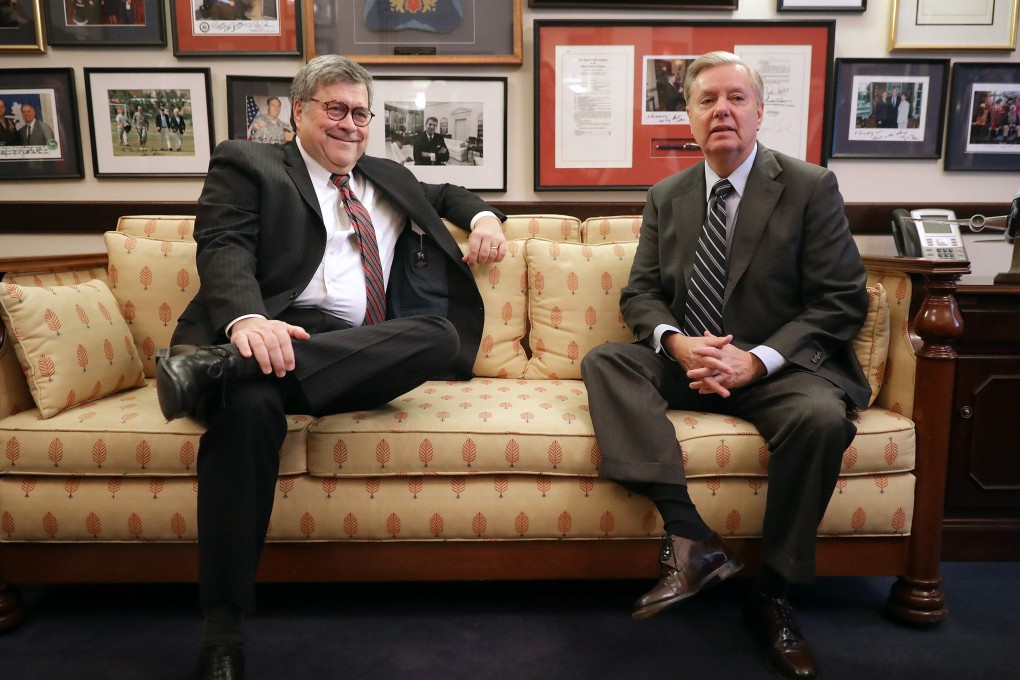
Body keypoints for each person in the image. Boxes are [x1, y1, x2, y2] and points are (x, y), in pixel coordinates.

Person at [154, 54, 507, 680]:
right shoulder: (251, 163)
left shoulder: (387, 177)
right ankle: (223, 635)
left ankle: (213, 373)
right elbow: (224, 248)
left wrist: (483, 218)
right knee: (251, 408)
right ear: (299, 111)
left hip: (345, 352)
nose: (349, 124)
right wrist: (246, 323)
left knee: (435, 337)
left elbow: (451, 193)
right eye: (334, 109)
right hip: (260, 332)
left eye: (360, 113)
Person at [580, 51, 869, 680]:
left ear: (761, 111)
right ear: (688, 114)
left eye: (736, 98)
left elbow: (841, 299)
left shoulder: (809, 185)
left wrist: (756, 361)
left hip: (776, 371)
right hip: (692, 360)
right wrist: (677, 342)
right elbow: (642, 291)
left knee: (822, 419)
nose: (722, 111)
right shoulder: (667, 194)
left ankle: (775, 595)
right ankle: (693, 539)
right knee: (607, 360)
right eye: (707, 100)